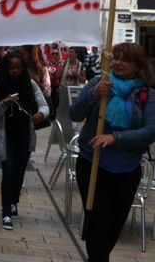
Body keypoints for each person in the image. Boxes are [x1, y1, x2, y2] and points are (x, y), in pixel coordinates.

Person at [70, 42, 155, 262]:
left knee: (113, 228)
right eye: (115, 57)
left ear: (137, 66)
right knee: (98, 224)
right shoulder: (99, 83)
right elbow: (74, 113)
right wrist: (94, 95)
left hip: (126, 170)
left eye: (124, 59)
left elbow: (149, 132)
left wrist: (116, 138)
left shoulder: (147, 94)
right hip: (94, 165)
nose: (117, 62)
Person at [0, 50, 48, 230]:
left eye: (18, 68)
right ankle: (6, 211)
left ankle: (14, 201)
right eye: (11, 68)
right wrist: (4, 103)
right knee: (8, 172)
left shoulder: (30, 85)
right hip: (6, 136)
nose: (15, 71)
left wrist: (40, 114)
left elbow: (44, 105)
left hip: (25, 135)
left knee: (19, 173)